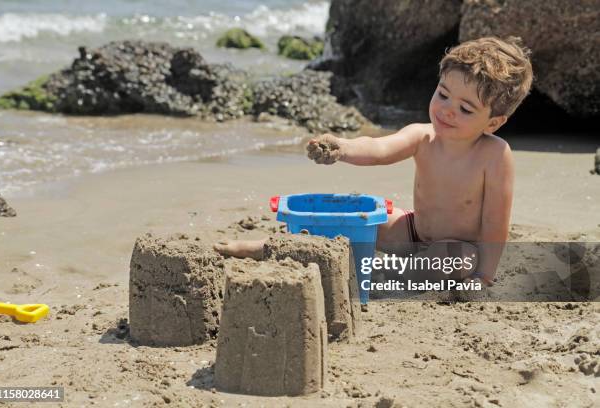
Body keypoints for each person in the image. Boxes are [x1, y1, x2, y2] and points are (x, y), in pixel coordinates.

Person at [215, 36, 533, 288]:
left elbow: (495, 224)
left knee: (450, 260)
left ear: (493, 123)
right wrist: (342, 147)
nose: (447, 110)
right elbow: (378, 149)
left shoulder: (494, 156)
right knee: (356, 220)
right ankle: (267, 247)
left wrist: (486, 276)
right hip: (412, 231)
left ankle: (379, 273)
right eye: (443, 94)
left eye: (465, 109)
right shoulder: (422, 136)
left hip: (462, 247)